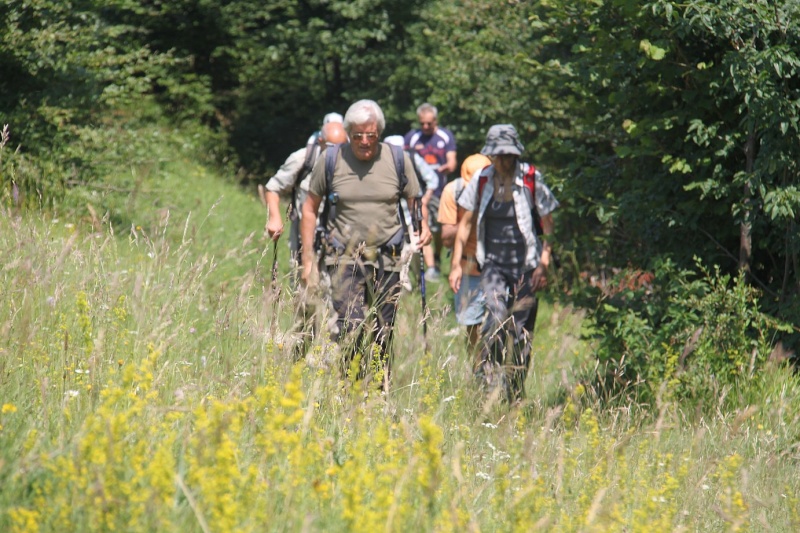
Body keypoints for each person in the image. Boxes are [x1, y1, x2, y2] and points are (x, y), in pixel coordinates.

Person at [300, 100, 432, 391]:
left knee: (384, 330)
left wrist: (424, 228)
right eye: (357, 135)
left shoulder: (397, 159)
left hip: (388, 258)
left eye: (370, 135)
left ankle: (379, 392)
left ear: (379, 133)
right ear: (348, 133)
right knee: (350, 326)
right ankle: (351, 388)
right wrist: (307, 261)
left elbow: (415, 199)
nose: (364, 141)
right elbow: (309, 208)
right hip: (343, 257)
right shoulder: (332, 159)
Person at [448, 124, 558, 403]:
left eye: (509, 155)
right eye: (498, 155)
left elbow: (549, 225)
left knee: (521, 332)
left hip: (526, 265)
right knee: (495, 319)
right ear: (491, 156)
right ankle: (490, 381)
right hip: (493, 265)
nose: (504, 160)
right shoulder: (482, 180)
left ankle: (516, 391)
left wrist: (544, 263)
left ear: (516, 154)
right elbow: (465, 224)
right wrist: (456, 265)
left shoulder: (532, 179)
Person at [264, 115, 347, 273]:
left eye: (341, 148)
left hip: (339, 244)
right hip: (303, 241)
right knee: (302, 292)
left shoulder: (351, 165)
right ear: (320, 141)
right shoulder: (303, 159)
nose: (336, 153)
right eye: (331, 147)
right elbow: (273, 187)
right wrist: (274, 217)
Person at [438, 153, 491, 354]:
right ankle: (476, 370)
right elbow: (446, 239)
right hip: (467, 267)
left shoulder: (501, 190)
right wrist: (468, 217)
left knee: (500, 324)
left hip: (496, 266)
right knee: (472, 325)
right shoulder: (453, 191)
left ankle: (496, 369)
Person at [404, 103, 457, 282]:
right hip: (418, 193)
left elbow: (453, 161)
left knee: (440, 230)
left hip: (441, 191)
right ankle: (431, 268)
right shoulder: (412, 138)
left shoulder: (445, 136)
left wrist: (448, 167)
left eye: (429, 123)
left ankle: (437, 255)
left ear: (435, 120)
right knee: (422, 225)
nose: (425, 127)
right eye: (422, 124)